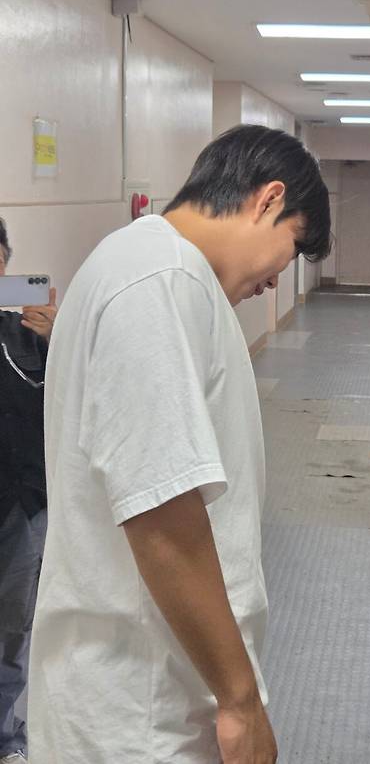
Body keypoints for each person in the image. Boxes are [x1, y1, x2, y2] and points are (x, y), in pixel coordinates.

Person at [27, 125, 331, 764]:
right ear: (267, 200)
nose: (279, 279)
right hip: (137, 710)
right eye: (292, 248)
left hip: (154, 684)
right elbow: (160, 512)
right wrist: (241, 700)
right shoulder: (159, 280)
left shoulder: (152, 268)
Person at [0, 218, 57, 764]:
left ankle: (6, 740)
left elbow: (69, 399)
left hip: (19, 508)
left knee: (10, 632)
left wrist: (57, 337)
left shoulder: (26, 336)